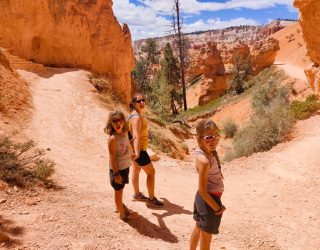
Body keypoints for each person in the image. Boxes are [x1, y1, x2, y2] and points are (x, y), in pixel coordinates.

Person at [190, 119, 226, 250]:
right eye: (209, 137)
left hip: (203, 200)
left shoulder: (204, 152)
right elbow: (203, 191)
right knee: (206, 239)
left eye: (216, 136)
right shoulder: (204, 160)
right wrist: (217, 208)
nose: (214, 140)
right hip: (208, 201)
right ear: (199, 138)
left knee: (198, 228)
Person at [128, 94, 164, 207]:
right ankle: (151, 199)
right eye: (139, 101)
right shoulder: (136, 118)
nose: (142, 102)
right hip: (139, 150)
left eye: (143, 100)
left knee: (136, 170)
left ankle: (137, 194)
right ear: (134, 103)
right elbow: (135, 135)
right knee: (151, 173)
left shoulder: (133, 115)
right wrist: (138, 152)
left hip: (134, 149)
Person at [105, 111, 134, 220]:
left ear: (123, 121)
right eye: (114, 121)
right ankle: (122, 214)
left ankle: (119, 206)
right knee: (118, 191)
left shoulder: (125, 132)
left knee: (120, 189)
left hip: (125, 167)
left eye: (120, 120)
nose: (118, 123)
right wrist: (116, 174)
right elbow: (112, 157)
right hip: (117, 170)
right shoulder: (113, 139)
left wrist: (132, 153)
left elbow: (128, 143)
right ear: (111, 123)